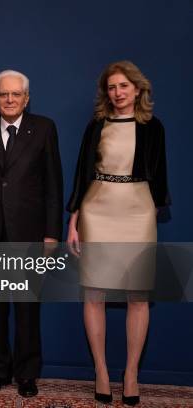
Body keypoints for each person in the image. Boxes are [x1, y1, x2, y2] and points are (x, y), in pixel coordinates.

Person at [67, 61, 169, 406]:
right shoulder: (96, 126)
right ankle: (100, 371)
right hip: (97, 208)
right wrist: (74, 220)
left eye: (124, 86)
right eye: (112, 87)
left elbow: (160, 179)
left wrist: (149, 215)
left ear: (137, 89)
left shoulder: (153, 127)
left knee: (137, 296)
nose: (118, 92)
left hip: (138, 211)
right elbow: (82, 174)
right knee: (93, 294)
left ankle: (130, 375)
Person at [0, 70, 63, 398]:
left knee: (27, 310)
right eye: (3, 95)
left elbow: (53, 186)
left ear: (26, 99)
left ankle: (27, 374)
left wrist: (51, 233)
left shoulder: (44, 129)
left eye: (15, 94)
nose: (9, 100)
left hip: (29, 234)